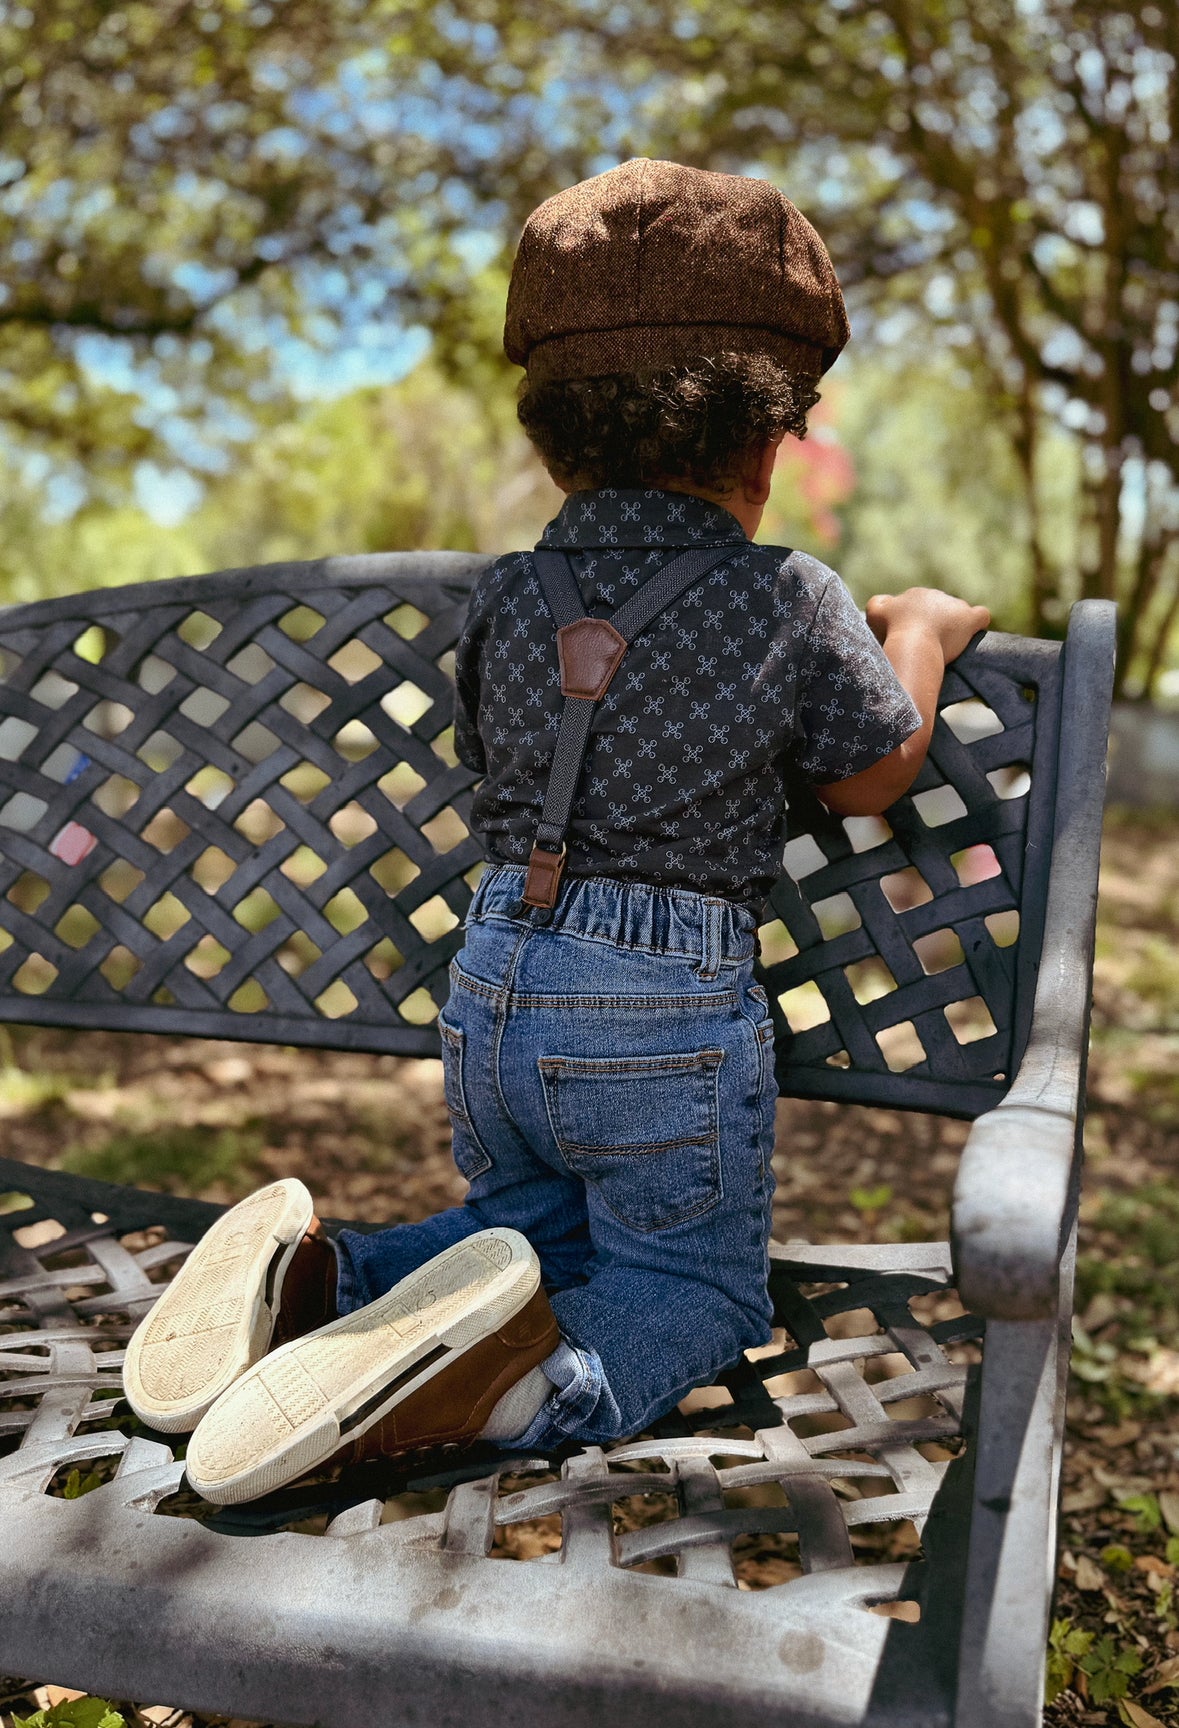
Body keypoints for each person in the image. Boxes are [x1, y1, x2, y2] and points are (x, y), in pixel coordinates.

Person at [122, 158, 989, 1506]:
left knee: (527, 1228)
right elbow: (875, 772)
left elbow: (491, 761)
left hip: (497, 979)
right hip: (658, 1008)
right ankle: (508, 1385)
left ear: (550, 437)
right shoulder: (787, 594)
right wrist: (920, 629)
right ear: (767, 441)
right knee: (691, 1287)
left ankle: (326, 1281)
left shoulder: (511, 593)